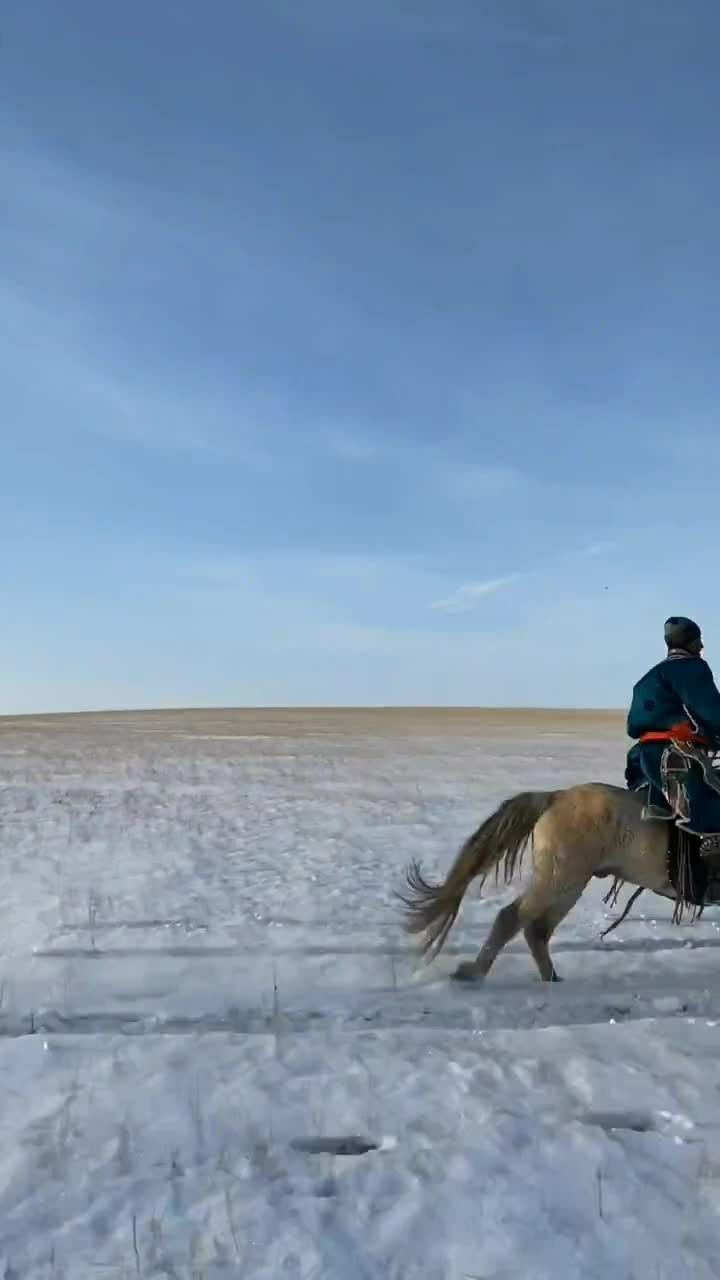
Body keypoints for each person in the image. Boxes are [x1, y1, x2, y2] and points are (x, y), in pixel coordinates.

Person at [625, 616, 720, 896]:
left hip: (645, 757)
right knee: (711, 805)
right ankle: (712, 875)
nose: (701, 645)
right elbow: (711, 711)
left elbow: (633, 725)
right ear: (693, 642)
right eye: (699, 640)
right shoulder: (691, 668)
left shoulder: (647, 678)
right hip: (674, 755)